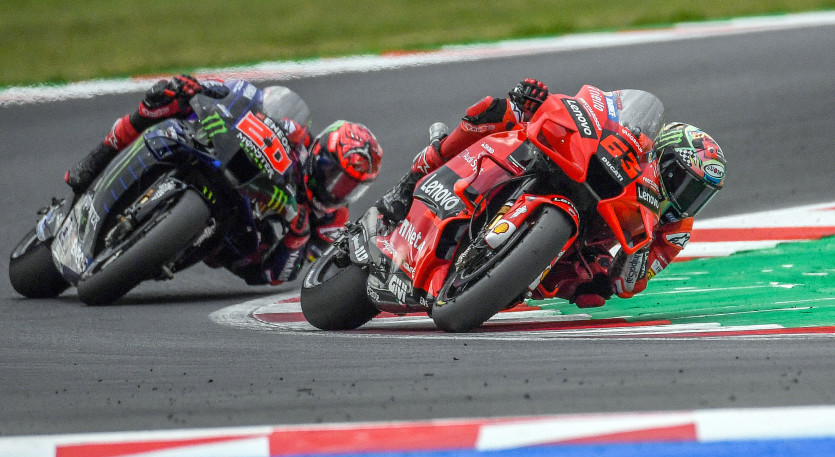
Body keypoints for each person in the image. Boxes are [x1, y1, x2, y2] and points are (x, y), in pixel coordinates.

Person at [375, 79, 726, 308]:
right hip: (566, 170)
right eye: (683, 182)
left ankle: (506, 280)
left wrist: (626, 265)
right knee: (497, 111)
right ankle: (411, 180)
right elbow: (598, 114)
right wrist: (537, 102)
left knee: (593, 288)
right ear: (662, 159)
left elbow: (631, 283)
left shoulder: (676, 229)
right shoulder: (638, 145)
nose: (685, 199)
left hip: (586, 237)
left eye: (699, 194)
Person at [65, 74, 383, 286]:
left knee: (254, 255)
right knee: (166, 98)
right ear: (320, 152)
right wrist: (202, 88)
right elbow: (249, 96)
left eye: (348, 186)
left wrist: (297, 237)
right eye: (332, 173)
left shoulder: (332, 221)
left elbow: (278, 276)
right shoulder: (295, 133)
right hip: (221, 157)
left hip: (239, 232)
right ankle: (97, 158)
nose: (334, 188)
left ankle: (162, 246)